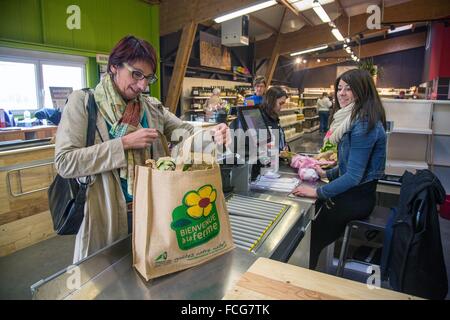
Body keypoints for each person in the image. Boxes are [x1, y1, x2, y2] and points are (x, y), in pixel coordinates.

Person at [55, 35, 229, 263]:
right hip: (106, 214)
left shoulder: (151, 107)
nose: (142, 85)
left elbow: (185, 133)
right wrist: (123, 144)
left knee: (150, 275)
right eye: (136, 74)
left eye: (148, 78)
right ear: (114, 66)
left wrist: (213, 136)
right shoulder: (83, 103)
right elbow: (65, 162)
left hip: (153, 210)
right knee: (106, 280)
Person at [292, 69, 387, 270]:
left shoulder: (362, 124)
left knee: (310, 236)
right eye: (339, 88)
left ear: (363, 91)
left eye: (349, 89)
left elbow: (353, 176)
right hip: (354, 194)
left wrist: (317, 191)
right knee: (313, 217)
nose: (341, 93)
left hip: (357, 199)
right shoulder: (352, 118)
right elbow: (346, 165)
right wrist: (326, 174)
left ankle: (303, 282)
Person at [260, 86, 290, 152]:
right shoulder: (260, 119)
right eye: (280, 103)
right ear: (271, 101)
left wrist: (286, 146)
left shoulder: (274, 116)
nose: (281, 108)